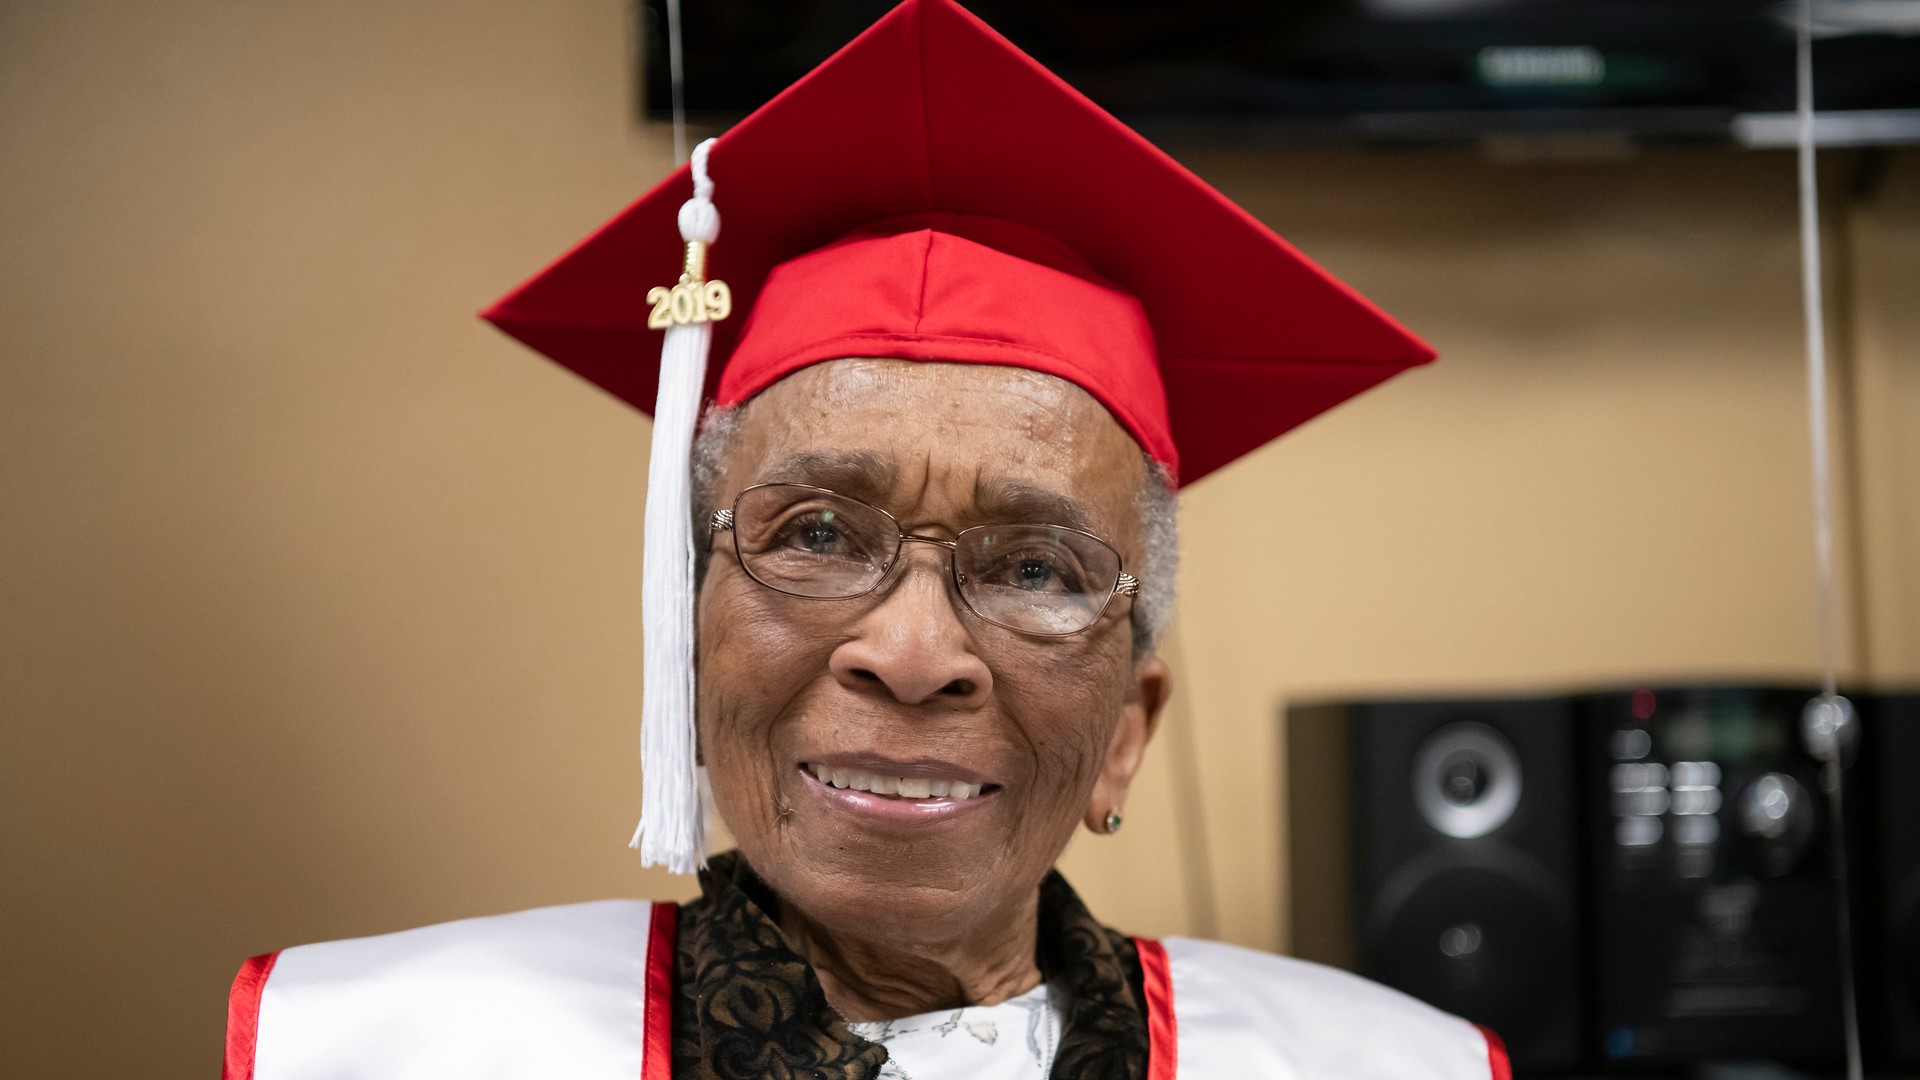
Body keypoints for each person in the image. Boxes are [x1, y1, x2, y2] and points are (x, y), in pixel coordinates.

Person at [220, 2, 1509, 1077]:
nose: (911, 650)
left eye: (1034, 568)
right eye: (820, 534)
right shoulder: (383, 1047)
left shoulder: (1382, 1065)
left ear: (1127, 733)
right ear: (690, 639)